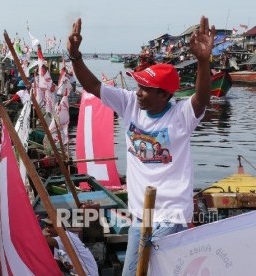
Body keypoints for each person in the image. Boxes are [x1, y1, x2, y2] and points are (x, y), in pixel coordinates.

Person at [67, 16, 215, 276]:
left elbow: (202, 99)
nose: (138, 92)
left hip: (172, 215)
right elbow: (91, 85)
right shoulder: (129, 104)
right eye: (138, 86)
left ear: (165, 95)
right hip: (140, 215)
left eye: (146, 89)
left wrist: (204, 61)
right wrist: (75, 56)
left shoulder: (181, 115)